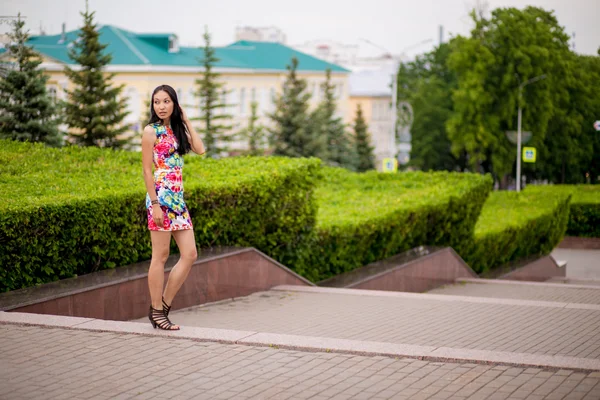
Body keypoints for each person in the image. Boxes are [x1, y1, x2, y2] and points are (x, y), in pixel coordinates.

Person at [142, 84, 205, 330]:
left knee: (190, 254)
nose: (161, 106)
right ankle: (157, 310)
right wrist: (155, 204)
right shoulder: (151, 131)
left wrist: (186, 119)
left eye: (166, 101)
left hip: (178, 200)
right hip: (161, 198)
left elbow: (200, 149)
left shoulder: (176, 130)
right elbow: (147, 170)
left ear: (174, 103)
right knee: (161, 256)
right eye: (157, 102)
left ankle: (163, 306)